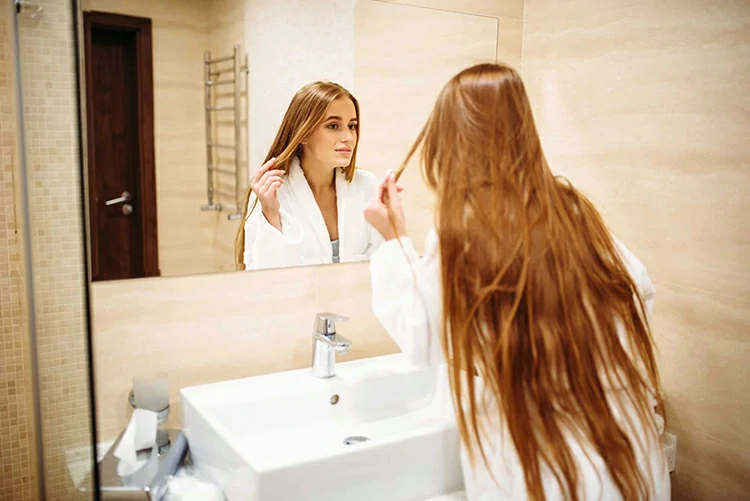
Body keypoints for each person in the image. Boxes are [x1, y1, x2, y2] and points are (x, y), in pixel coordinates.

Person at [364, 63, 669, 501]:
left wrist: (393, 240)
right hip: (626, 449)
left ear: (449, 140)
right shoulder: (572, 210)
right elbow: (639, 293)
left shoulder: (464, 232)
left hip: (549, 469)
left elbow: (424, 338)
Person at [235, 81, 383, 270]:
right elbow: (261, 277)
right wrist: (270, 215)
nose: (348, 137)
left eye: (352, 126)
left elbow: (383, 264)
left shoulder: (367, 186)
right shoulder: (271, 192)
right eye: (333, 126)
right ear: (303, 133)